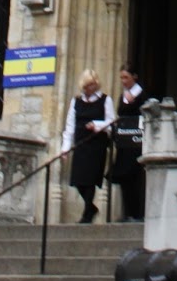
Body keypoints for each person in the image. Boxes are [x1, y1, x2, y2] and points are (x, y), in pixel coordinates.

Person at [61, 69, 114, 223]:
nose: (89, 89)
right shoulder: (76, 101)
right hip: (81, 145)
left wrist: (96, 125)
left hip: (96, 146)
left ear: (96, 84)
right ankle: (90, 207)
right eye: (86, 86)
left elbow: (111, 123)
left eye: (91, 85)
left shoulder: (105, 100)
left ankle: (87, 214)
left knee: (90, 180)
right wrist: (65, 148)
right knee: (78, 181)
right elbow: (70, 126)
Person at [108, 64, 146, 222]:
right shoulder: (123, 95)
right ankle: (128, 212)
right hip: (125, 142)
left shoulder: (142, 95)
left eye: (126, 77)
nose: (123, 81)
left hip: (137, 142)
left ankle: (138, 213)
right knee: (124, 177)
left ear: (134, 77)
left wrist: (134, 103)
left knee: (135, 177)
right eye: (121, 78)